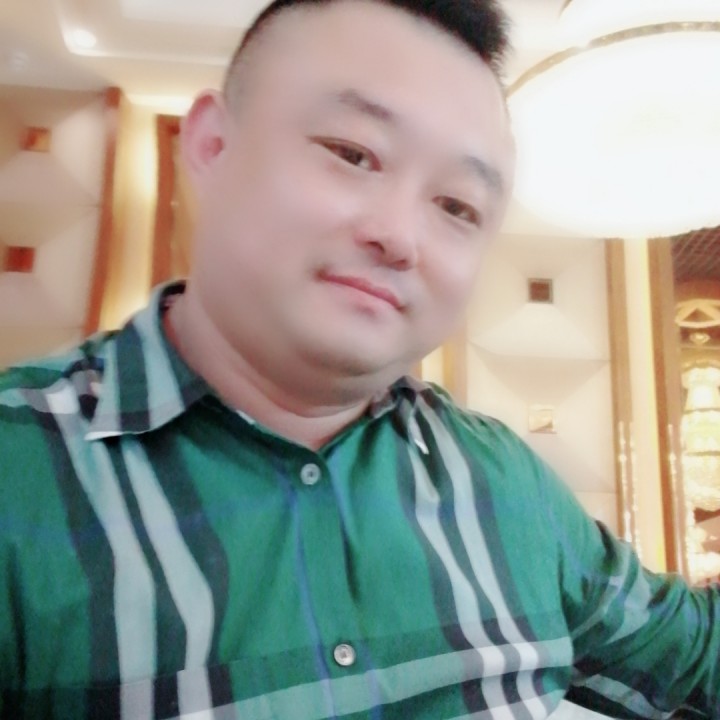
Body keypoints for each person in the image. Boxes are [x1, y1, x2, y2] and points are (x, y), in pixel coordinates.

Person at [0, 0, 718, 717]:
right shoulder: (19, 470)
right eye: (352, 154)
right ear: (214, 144)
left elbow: (694, 658)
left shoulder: (505, 483)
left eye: (458, 206)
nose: (400, 236)